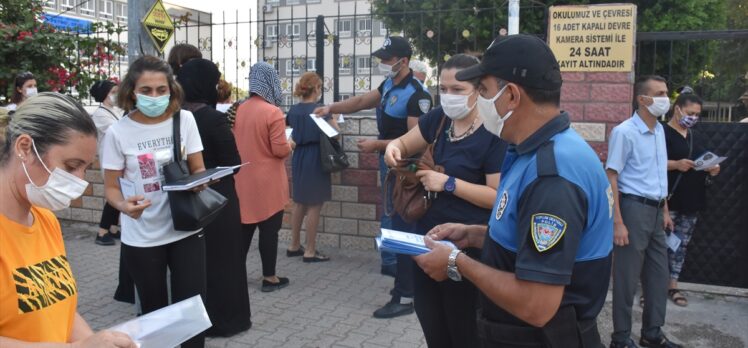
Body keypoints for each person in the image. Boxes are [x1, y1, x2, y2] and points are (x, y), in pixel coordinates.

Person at [414, 34, 614, 347]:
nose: (478, 100)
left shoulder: (553, 175)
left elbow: (537, 305)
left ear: (511, 96)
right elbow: (532, 241)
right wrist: (476, 235)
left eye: (483, 91)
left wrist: (456, 262)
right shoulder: (533, 152)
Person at [383, 54, 506, 347]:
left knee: (464, 332)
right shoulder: (439, 119)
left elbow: (496, 197)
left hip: (467, 250)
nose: (449, 96)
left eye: (458, 90)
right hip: (427, 243)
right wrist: (393, 148)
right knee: (433, 328)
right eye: (444, 89)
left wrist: (449, 183)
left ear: (478, 91)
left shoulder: (494, 132)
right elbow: (404, 142)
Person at [0, 93, 136, 347]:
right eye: (72, 165)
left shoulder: (45, 220)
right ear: (24, 148)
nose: (80, 181)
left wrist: (95, 341)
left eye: (85, 168)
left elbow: (60, 309)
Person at [315, 36, 433, 319]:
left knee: (404, 221)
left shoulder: (418, 95)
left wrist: (377, 145)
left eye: (387, 59)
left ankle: (406, 290)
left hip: (407, 170)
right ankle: (398, 273)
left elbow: (414, 142)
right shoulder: (389, 85)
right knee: (392, 217)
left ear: (403, 61)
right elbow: (360, 101)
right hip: (389, 164)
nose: (382, 63)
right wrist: (331, 108)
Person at [101, 55, 208, 348]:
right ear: (131, 91)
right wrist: (123, 206)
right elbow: (110, 188)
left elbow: (198, 168)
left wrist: (200, 182)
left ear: (171, 89)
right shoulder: (117, 133)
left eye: (161, 90)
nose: (154, 96)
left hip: (184, 227)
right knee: (154, 314)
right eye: (146, 90)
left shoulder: (184, 120)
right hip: (142, 235)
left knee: (191, 314)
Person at [177, 59, 251, 336]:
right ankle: (227, 320)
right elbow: (232, 161)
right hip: (217, 198)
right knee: (225, 260)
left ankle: (194, 322)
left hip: (184, 198)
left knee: (193, 263)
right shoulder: (212, 118)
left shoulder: (174, 117)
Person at [606, 75, 681, 348]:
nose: (666, 99)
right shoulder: (625, 132)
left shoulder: (659, 130)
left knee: (658, 276)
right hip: (633, 210)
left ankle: (652, 334)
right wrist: (618, 222)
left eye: (666, 92)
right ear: (642, 99)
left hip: (656, 210)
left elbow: (659, 174)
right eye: (660, 93)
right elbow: (611, 175)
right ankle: (621, 338)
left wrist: (665, 210)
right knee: (627, 279)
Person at [233, 62, 291, 292]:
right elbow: (280, 150)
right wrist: (291, 144)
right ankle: (269, 278)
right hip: (268, 183)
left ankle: (234, 275)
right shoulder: (273, 112)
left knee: (243, 230)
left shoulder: (238, 109)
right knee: (269, 231)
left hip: (242, 179)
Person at [663, 90, 720, 307]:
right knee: (660, 246)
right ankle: (653, 288)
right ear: (677, 109)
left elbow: (705, 158)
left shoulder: (696, 134)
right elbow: (650, 164)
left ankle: (673, 285)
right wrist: (676, 164)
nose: (694, 118)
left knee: (681, 245)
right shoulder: (662, 133)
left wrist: (713, 168)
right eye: (690, 113)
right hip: (668, 201)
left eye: (697, 114)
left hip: (692, 200)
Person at [286, 72, 339, 262]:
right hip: (316, 157)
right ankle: (310, 250)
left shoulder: (293, 110)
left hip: (299, 156)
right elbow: (334, 134)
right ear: (316, 88)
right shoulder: (320, 110)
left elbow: (289, 134)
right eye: (320, 87)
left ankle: (293, 245)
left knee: (299, 202)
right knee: (315, 204)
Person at [89, 79, 122, 246]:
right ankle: (102, 232)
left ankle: (113, 229)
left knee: (119, 193)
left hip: (118, 158)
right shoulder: (100, 114)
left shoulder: (115, 110)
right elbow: (118, 131)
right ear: (104, 95)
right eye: (113, 92)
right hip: (110, 160)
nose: (116, 95)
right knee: (113, 195)